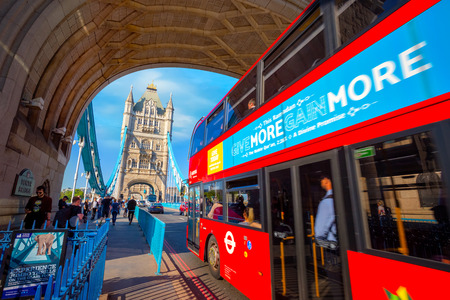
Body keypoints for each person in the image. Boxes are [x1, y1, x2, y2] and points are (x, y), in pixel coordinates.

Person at [315, 174, 338, 250]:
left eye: (321, 178)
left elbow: (319, 232)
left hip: (332, 245)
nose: (320, 182)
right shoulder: (340, 197)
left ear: (326, 180)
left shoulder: (325, 202)